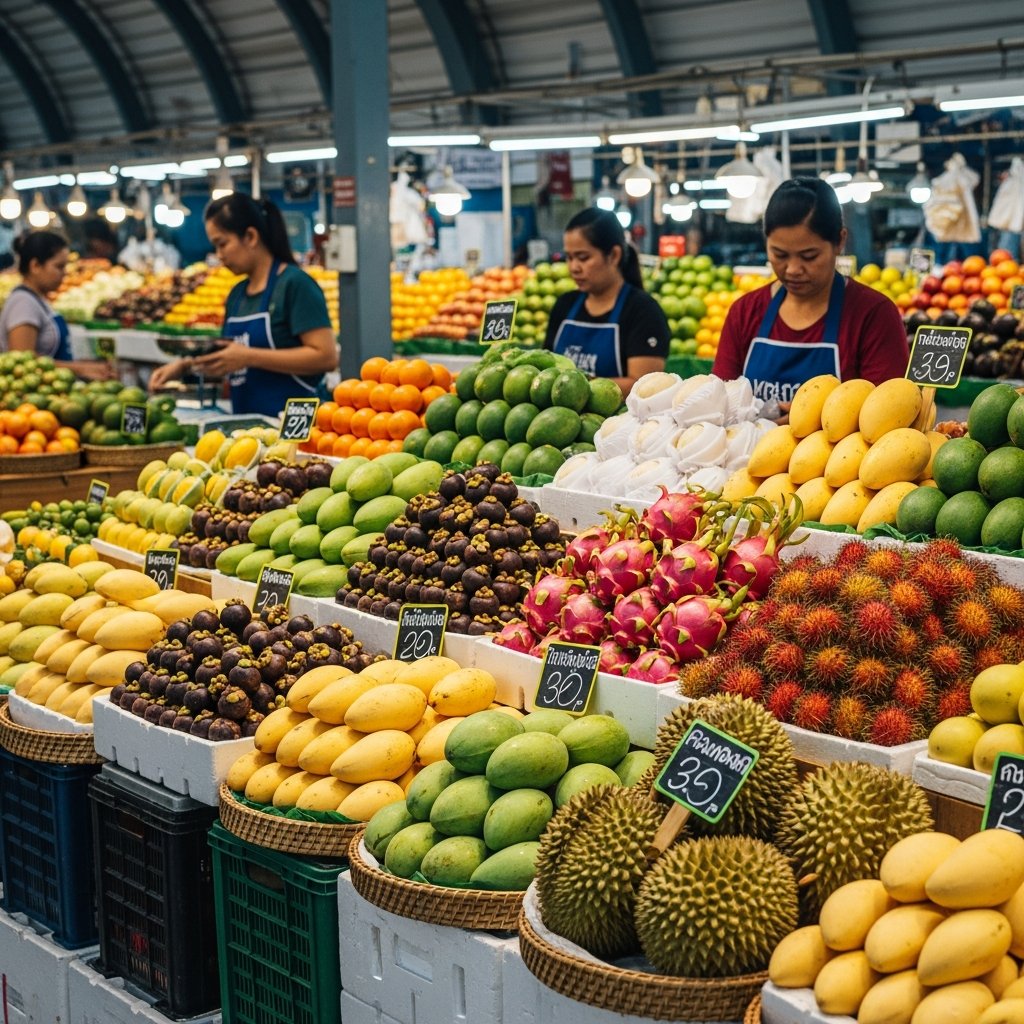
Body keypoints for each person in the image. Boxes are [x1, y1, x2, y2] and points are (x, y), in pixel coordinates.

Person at [713, 177, 909, 413]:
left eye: (809, 256)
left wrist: (810, 420)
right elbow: (719, 403)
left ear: (840, 241)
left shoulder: (874, 315)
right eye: (780, 254)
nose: (793, 269)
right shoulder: (745, 312)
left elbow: (886, 414)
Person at [149, 194, 337, 416]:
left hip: (295, 428)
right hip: (246, 428)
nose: (219, 255)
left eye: (222, 244)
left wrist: (249, 357)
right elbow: (227, 357)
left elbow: (325, 356)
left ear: (250, 236)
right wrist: (185, 366)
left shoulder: (295, 285)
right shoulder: (237, 295)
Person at [544, 207, 669, 396]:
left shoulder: (643, 311)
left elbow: (645, 388)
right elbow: (546, 368)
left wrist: (576, 386)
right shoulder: (564, 305)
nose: (574, 267)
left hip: (622, 424)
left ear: (614, 255)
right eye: (569, 258)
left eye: (583, 257)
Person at [0, 230, 112, 380]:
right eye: (59, 267)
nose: (64, 273)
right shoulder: (23, 303)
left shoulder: (38, 300)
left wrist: (86, 365)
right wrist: (80, 369)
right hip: (31, 399)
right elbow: (22, 362)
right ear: (35, 266)